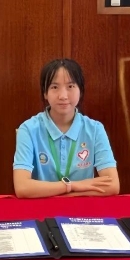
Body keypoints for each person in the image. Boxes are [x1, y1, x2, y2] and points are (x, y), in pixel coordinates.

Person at [13, 58, 120, 198]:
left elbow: (112, 185)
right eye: (54, 87)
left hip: (82, 208)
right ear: (45, 93)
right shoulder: (28, 129)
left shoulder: (95, 129)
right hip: (42, 208)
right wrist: (72, 185)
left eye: (70, 86)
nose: (63, 96)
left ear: (80, 90)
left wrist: (66, 195)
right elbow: (22, 187)